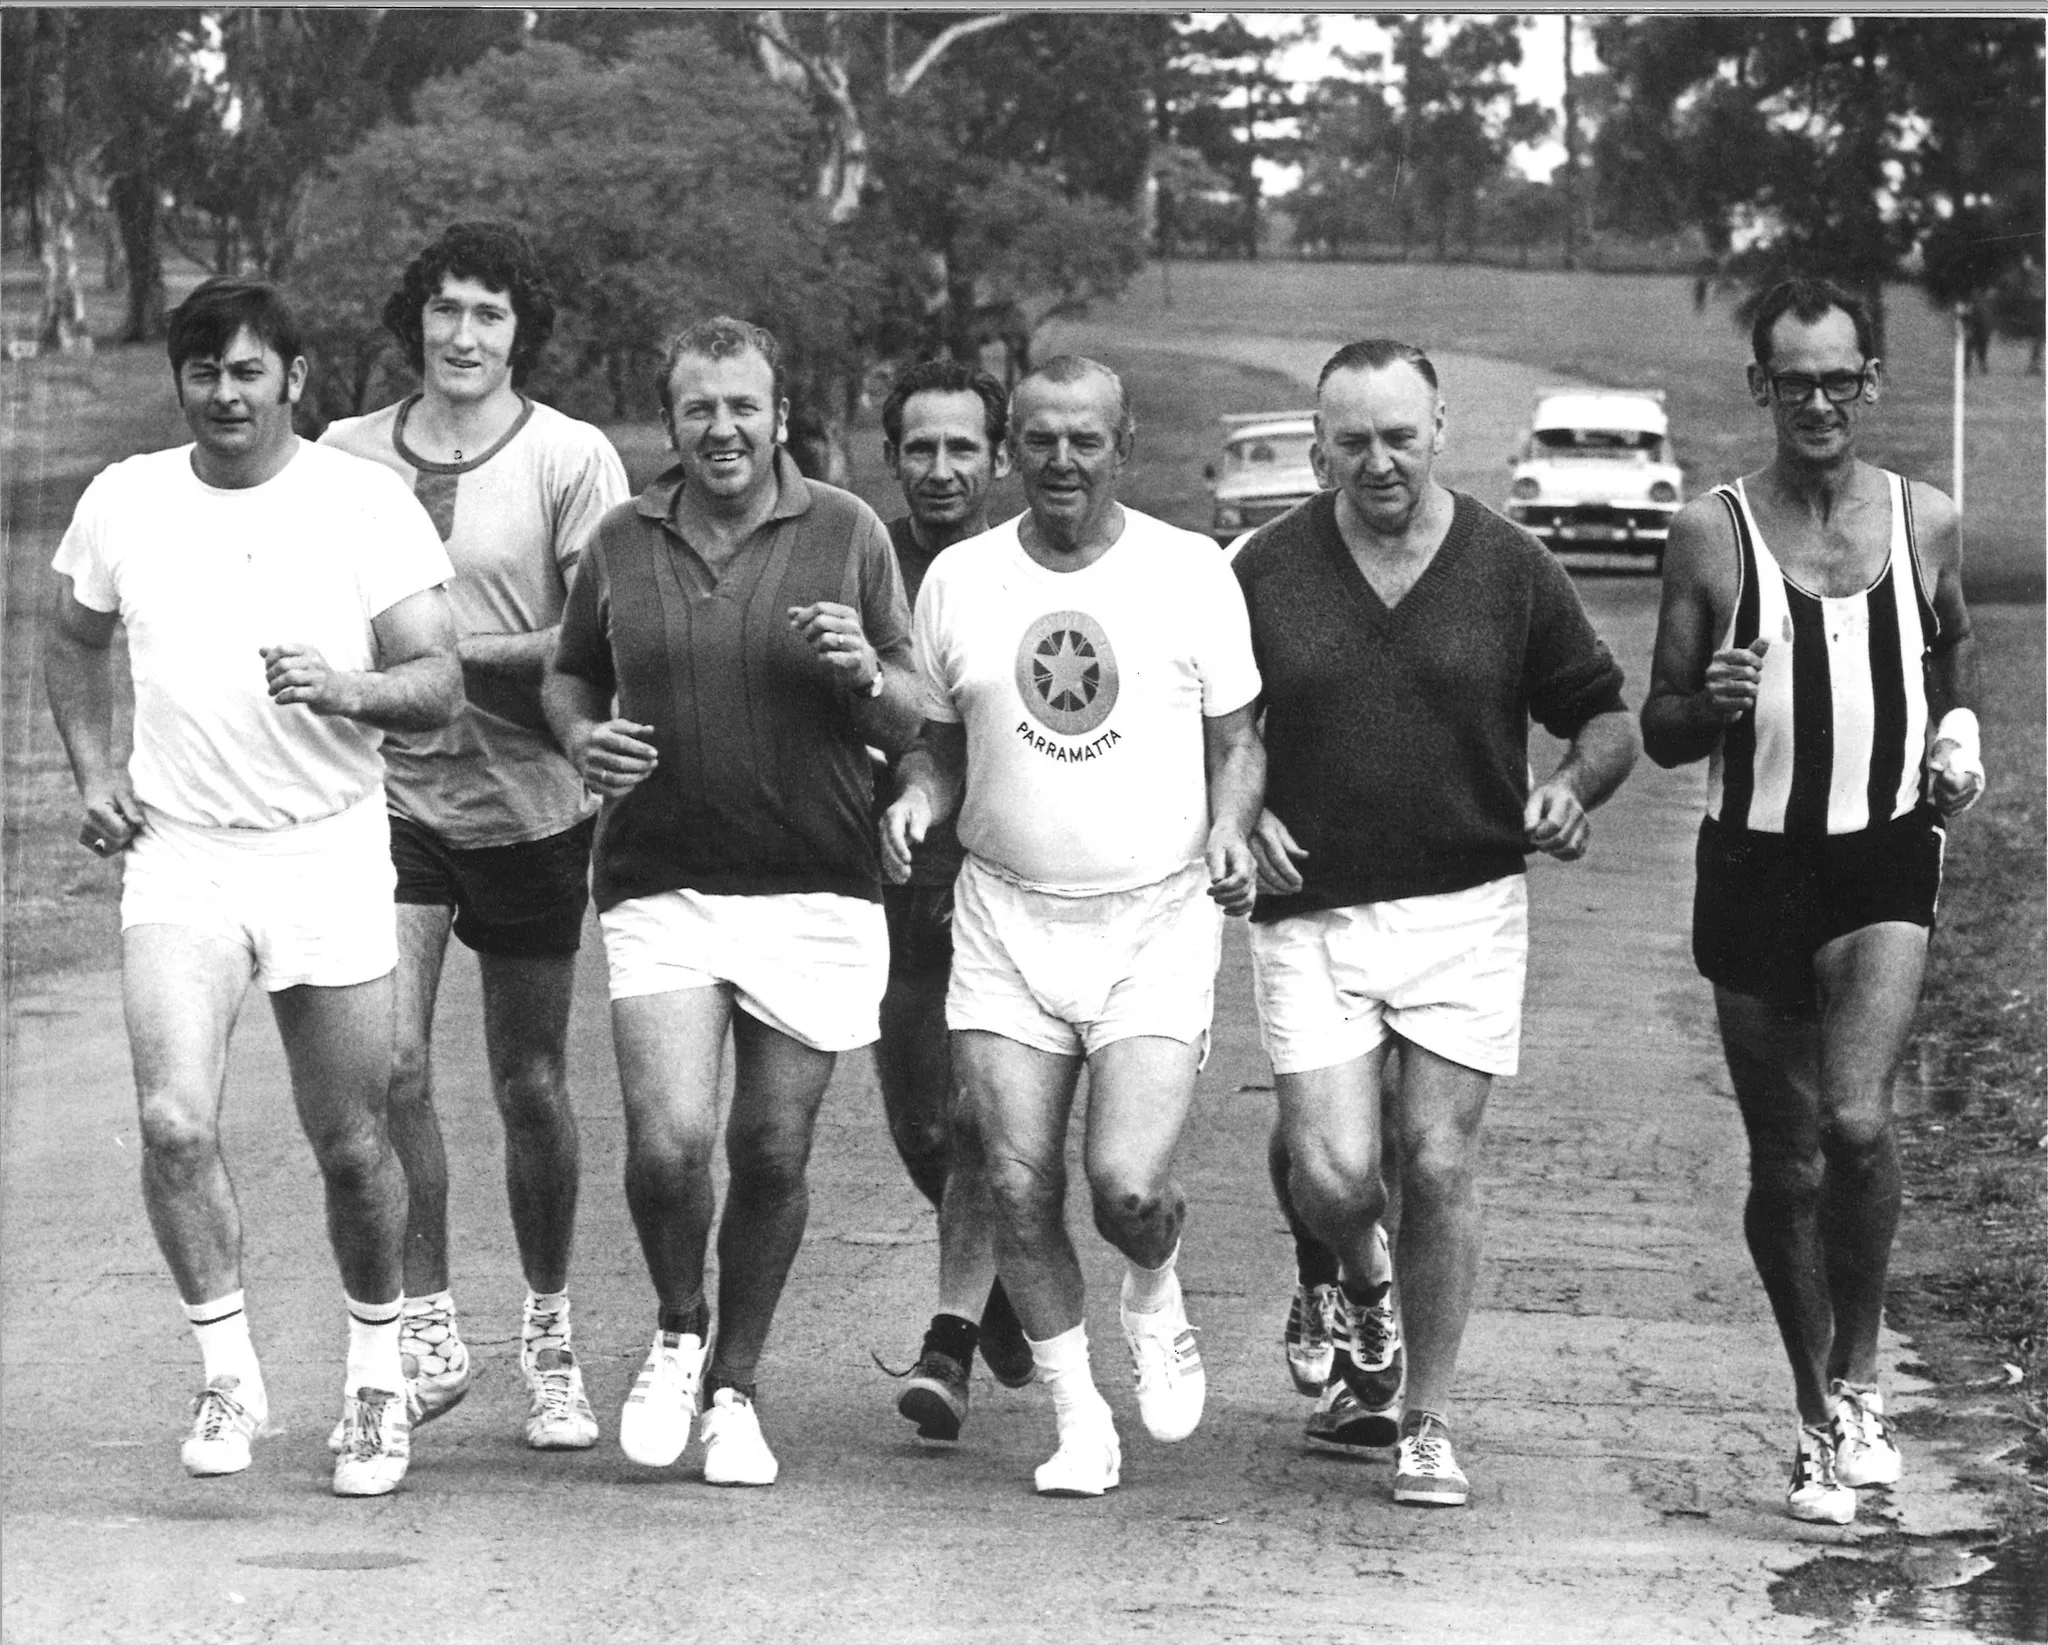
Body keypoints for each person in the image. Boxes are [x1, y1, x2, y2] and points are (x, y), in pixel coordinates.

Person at [42, 278, 462, 1496]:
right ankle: (226, 1368)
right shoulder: (127, 497)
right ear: (181, 383)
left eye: (249, 372)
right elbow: (68, 630)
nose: (227, 395)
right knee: (173, 1119)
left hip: (327, 850)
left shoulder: (360, 502)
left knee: (349, 1143)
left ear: (294, 379)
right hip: (182, 854)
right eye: (204, 373)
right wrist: (92, 769)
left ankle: (375, 1384)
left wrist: (345, 686)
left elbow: (436, 681)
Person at [1232, 339, 1639, 1508]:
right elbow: (1217, 724)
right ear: (1318, 443)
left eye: (1397, 437)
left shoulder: (1509, 566)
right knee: (1336, 1169)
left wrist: (1571, 786)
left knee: (1435, 1156)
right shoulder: (1260, 567)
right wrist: (1238, 811)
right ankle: (1346, 1277)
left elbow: (1602, 717)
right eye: (1350, 440)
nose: (1376, 462)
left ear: (1440, 428)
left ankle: (1425, 1416)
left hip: (1465, 904)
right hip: (1308, 905)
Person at [543, 316, 921, 1487]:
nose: (722, 429)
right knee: (668, 1144)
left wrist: (864, 671)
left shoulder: (847, 531)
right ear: (669, 422)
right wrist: (579, 736)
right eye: (699, 408)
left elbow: (912, 708)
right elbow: (568, 671)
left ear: (780, 417)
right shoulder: (620, 537)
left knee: (767, 1148)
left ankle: (736, 1390)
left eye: (743, 407)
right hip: (659, 876)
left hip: (813, 880)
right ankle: (675, 1327)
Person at [884, 355, 1265, 1497]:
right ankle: (1077, 1414)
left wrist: (1233, 829)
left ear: (1123, 442)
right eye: (1039, 439)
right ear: (1012, 448)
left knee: (1126, 1186)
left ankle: (1153, 1290)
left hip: (1153, 917)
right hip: (1003, 917)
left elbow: (1236, 738)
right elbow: (939, 742)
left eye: (1084, 440)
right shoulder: (957, 579)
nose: (1060, 460)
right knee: (1008, 1177)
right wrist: (917, 798)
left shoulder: (1188, 571)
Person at [1642, 278, 1983, 1526]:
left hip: (1880, 856)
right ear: (1760, 389)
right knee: (1784, 1161)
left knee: (1853, 1123)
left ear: (1869, 381)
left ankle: (1860, 1379)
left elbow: (1950, 645)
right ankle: (1808, 1417)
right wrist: (1709, 701)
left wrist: (1956, 731)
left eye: (1840, 378)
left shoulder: (1923, 521)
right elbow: (1661, 722)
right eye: (1796, 381)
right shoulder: (1707, 533)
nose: (1820, 401)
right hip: (1750, 865)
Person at [320, 222, 629, 1453]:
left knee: (529, 1082)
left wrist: (432, 662)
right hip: (387, 795)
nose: (463, 335)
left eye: (489, 315)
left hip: (532, 802)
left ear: (519, 333)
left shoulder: (570, 455)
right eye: (445, 310)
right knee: (387, 1063)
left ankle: (547, 1330)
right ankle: (429, 1312)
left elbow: (590, 642)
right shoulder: (343, 455)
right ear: (415, 319)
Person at [871, 361, 1035, 1440]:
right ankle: (1013, 1281)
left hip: (994, 884)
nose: (940, 469)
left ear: (997, 457)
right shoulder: (858, 554)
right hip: (878, 877)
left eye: (961, 448)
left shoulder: (1026, 567)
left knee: (979, 1117)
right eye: (920, 449)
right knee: (920, 1124)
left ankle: (952, 1339)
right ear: (892, 456)